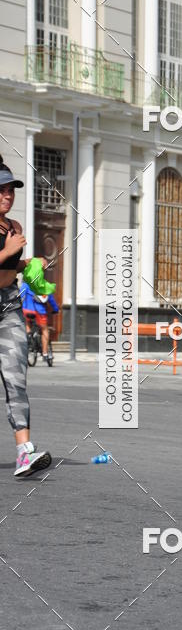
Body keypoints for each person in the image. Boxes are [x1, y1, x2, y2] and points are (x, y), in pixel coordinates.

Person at [0, 155, 52, 477]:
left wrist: (29, 262)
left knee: (15, 380)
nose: (8, 196)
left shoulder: (14, 227)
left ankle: (24, 452)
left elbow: (9, 266)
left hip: (9, 307)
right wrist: (7, 251)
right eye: (2, 191)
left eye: (11, 191)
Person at [20, 281, 60, 364]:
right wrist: (55, 309)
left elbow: (20, 296)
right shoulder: (44, 284)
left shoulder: (25, 284)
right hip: (40, 312)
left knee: (27, 325)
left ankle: (29, 340)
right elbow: (51, 300)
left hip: (27, 310)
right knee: (44, 329)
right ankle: (45, 353)